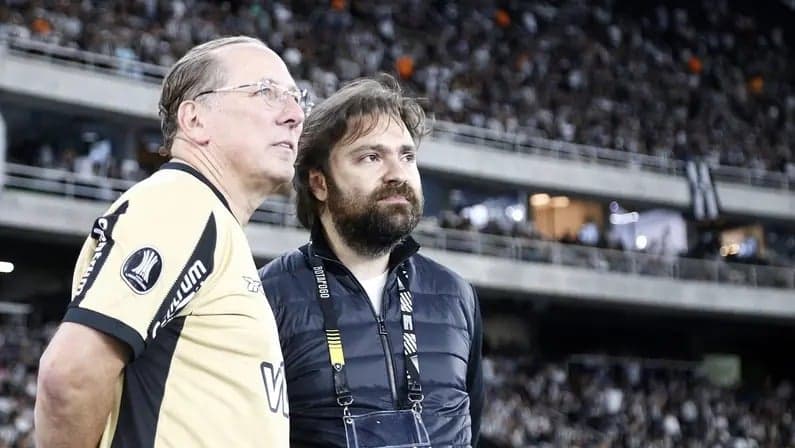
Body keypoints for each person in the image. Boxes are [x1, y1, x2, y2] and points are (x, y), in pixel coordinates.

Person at [34, 35, 307, 447]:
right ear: (195, 119)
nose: (295, 115)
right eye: (266, 92)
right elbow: (69, 378)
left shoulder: (211, 220)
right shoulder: (181, 202)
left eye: (297, 98)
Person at [259, 75, 484, 447]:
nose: (397, 174)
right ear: (319, 183)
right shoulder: (268, 297)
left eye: (406, 156)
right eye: (371, 157)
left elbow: (471, 427)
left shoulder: (455, 294)